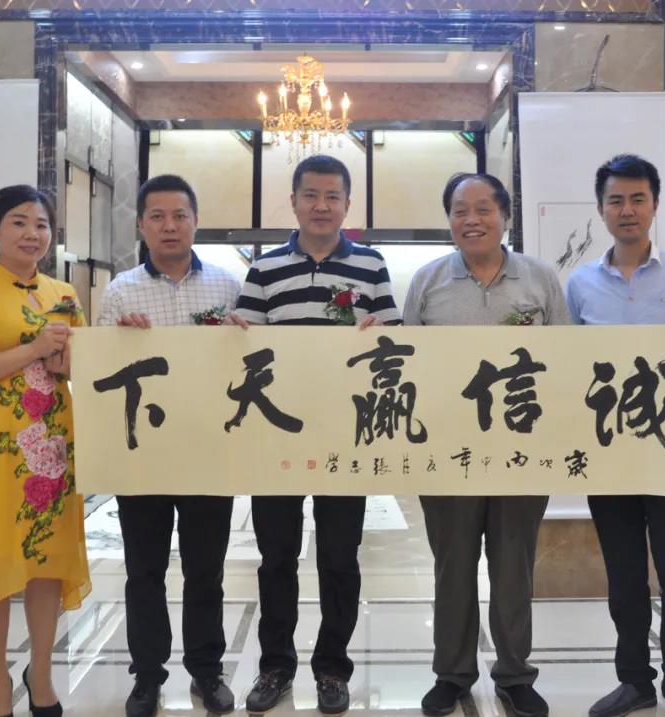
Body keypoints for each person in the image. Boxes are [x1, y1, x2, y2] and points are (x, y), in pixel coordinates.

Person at [226, 154, 400, 716]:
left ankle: (332, 669)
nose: (321, 206)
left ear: (347, 204)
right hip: (276, 435)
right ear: (294, 201)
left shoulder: (371, 266)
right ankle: (275, 665)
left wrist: (379, 330)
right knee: (276, 557)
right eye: (311, 195)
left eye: (332, 196)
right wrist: (233, 335)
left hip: (345, 436)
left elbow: (396, 341)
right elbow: (246, 347)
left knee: (340, 559)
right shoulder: (265, 269)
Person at [565, 155, 665, 717]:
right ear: (601, 209)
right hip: (609, 452)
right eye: (616, 200)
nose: (627, 210)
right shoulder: (581, 284)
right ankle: (635, 680)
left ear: (656, 205)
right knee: (624, 572)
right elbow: (573, 364)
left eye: (638, 199)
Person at [403, 173, 569, 717]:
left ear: (505, 217)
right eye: (459, 210)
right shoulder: (428, 282)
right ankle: (452, 673)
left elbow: (566, 361)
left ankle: (515, 674)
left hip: (522, 451)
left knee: (513, 568)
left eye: (483, 209)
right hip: (447, 454)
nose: (471, 220)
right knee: (452, 568)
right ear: (448, 220)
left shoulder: (540, 279)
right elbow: (407, 366)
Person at [95, 175, 242, 717]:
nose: (170, 226)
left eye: (180, 215)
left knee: (207, 572)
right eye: (157, 216)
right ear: (141, 225)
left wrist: (240, 332)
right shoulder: (121, 292)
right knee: (144, 572)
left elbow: (248, 360)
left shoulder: (228, 287)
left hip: (208, 452)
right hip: (144, 457)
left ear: (196, 221)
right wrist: (119, 339)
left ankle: (206, 670)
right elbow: (100, 371)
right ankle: (147, 676)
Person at [0, 185, 91, 717]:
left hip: (53, 442)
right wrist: (33, 348)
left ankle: (42, 675)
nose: (32, 234)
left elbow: (79, 366)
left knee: (46, 562)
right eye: (19, 222)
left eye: (42, 224)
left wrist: (65, 359)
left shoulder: (63, 293)